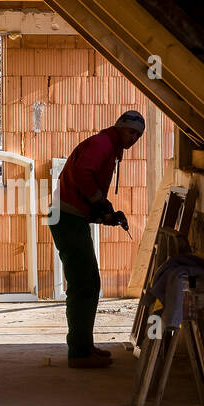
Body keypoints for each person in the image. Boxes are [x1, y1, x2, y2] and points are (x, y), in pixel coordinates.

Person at [49, 110, 146, 368]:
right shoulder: (103, 144)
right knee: (84, 284)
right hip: (67, 219)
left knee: (88, 282)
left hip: (69, 217)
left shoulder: (108, 145)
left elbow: (80, 184)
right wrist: (99, 203)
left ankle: (84, 346)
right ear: (120, 127)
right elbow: (82, 174)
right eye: (131, 131)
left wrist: (103, 214)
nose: (134, 138)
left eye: (138, 135)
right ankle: (79, 353)